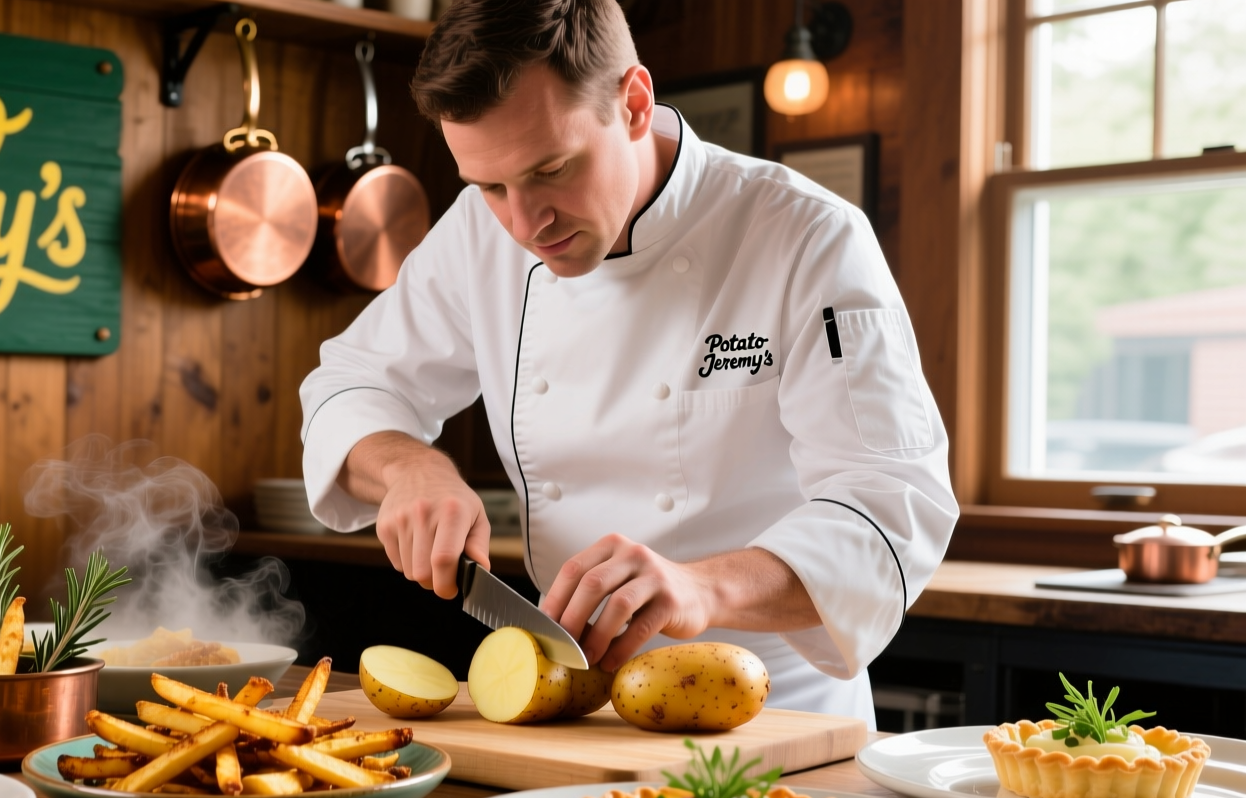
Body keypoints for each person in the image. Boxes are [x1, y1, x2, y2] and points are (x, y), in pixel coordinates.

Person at [298, 0, 958, 725]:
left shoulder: (806, 237)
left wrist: (702, 588)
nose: (525, 223)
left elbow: (891, 504)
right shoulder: (477, 238)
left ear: (635, 104)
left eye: (552, 169)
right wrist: (409, 469)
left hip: (774, 717)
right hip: (573, 709)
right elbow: (352, 383)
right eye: (490, 187)